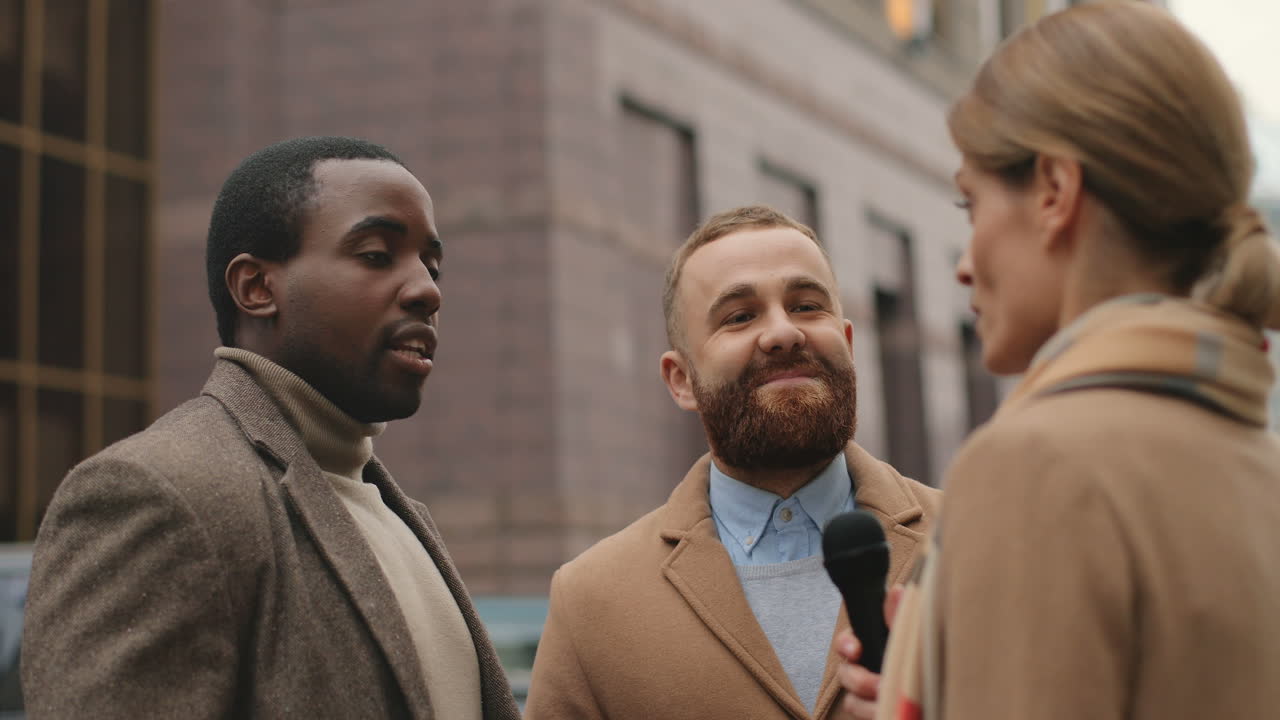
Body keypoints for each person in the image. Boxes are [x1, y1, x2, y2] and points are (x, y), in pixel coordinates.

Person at [840, 3, 1280, 719]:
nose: (964, 263)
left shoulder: (1038, 467)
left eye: (969, 205)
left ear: (1053, 192)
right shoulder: (1257, 459)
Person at [21, 136, 521, 719]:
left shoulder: (394, 512)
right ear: (257, 289)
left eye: (431, 266)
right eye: (378, 255)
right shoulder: (159, 493)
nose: (427, 291)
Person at [524, 205, 942, 720]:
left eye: (808, 305)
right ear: (681, 380)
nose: (784, 333)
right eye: (740, 316)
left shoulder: (976, 540)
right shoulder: (590, 601)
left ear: (849, 343)